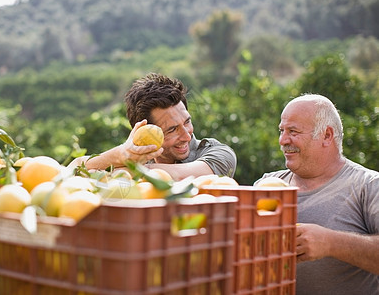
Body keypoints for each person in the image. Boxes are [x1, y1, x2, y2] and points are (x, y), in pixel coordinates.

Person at [259, 94, 379, 294]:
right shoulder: (267, 185)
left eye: (293, 131)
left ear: (326, 135)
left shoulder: (368, 185)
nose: (282, 140)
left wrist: (330, 242)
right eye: (281, 130)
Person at [68, 72, 237, 181]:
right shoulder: (134, 158)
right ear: (144, 132)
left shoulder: (219, 155)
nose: (186, 135)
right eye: (172, 129)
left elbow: (168, 176)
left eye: (187, 122)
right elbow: (72, 169)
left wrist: (120, 169)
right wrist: (120, 154)